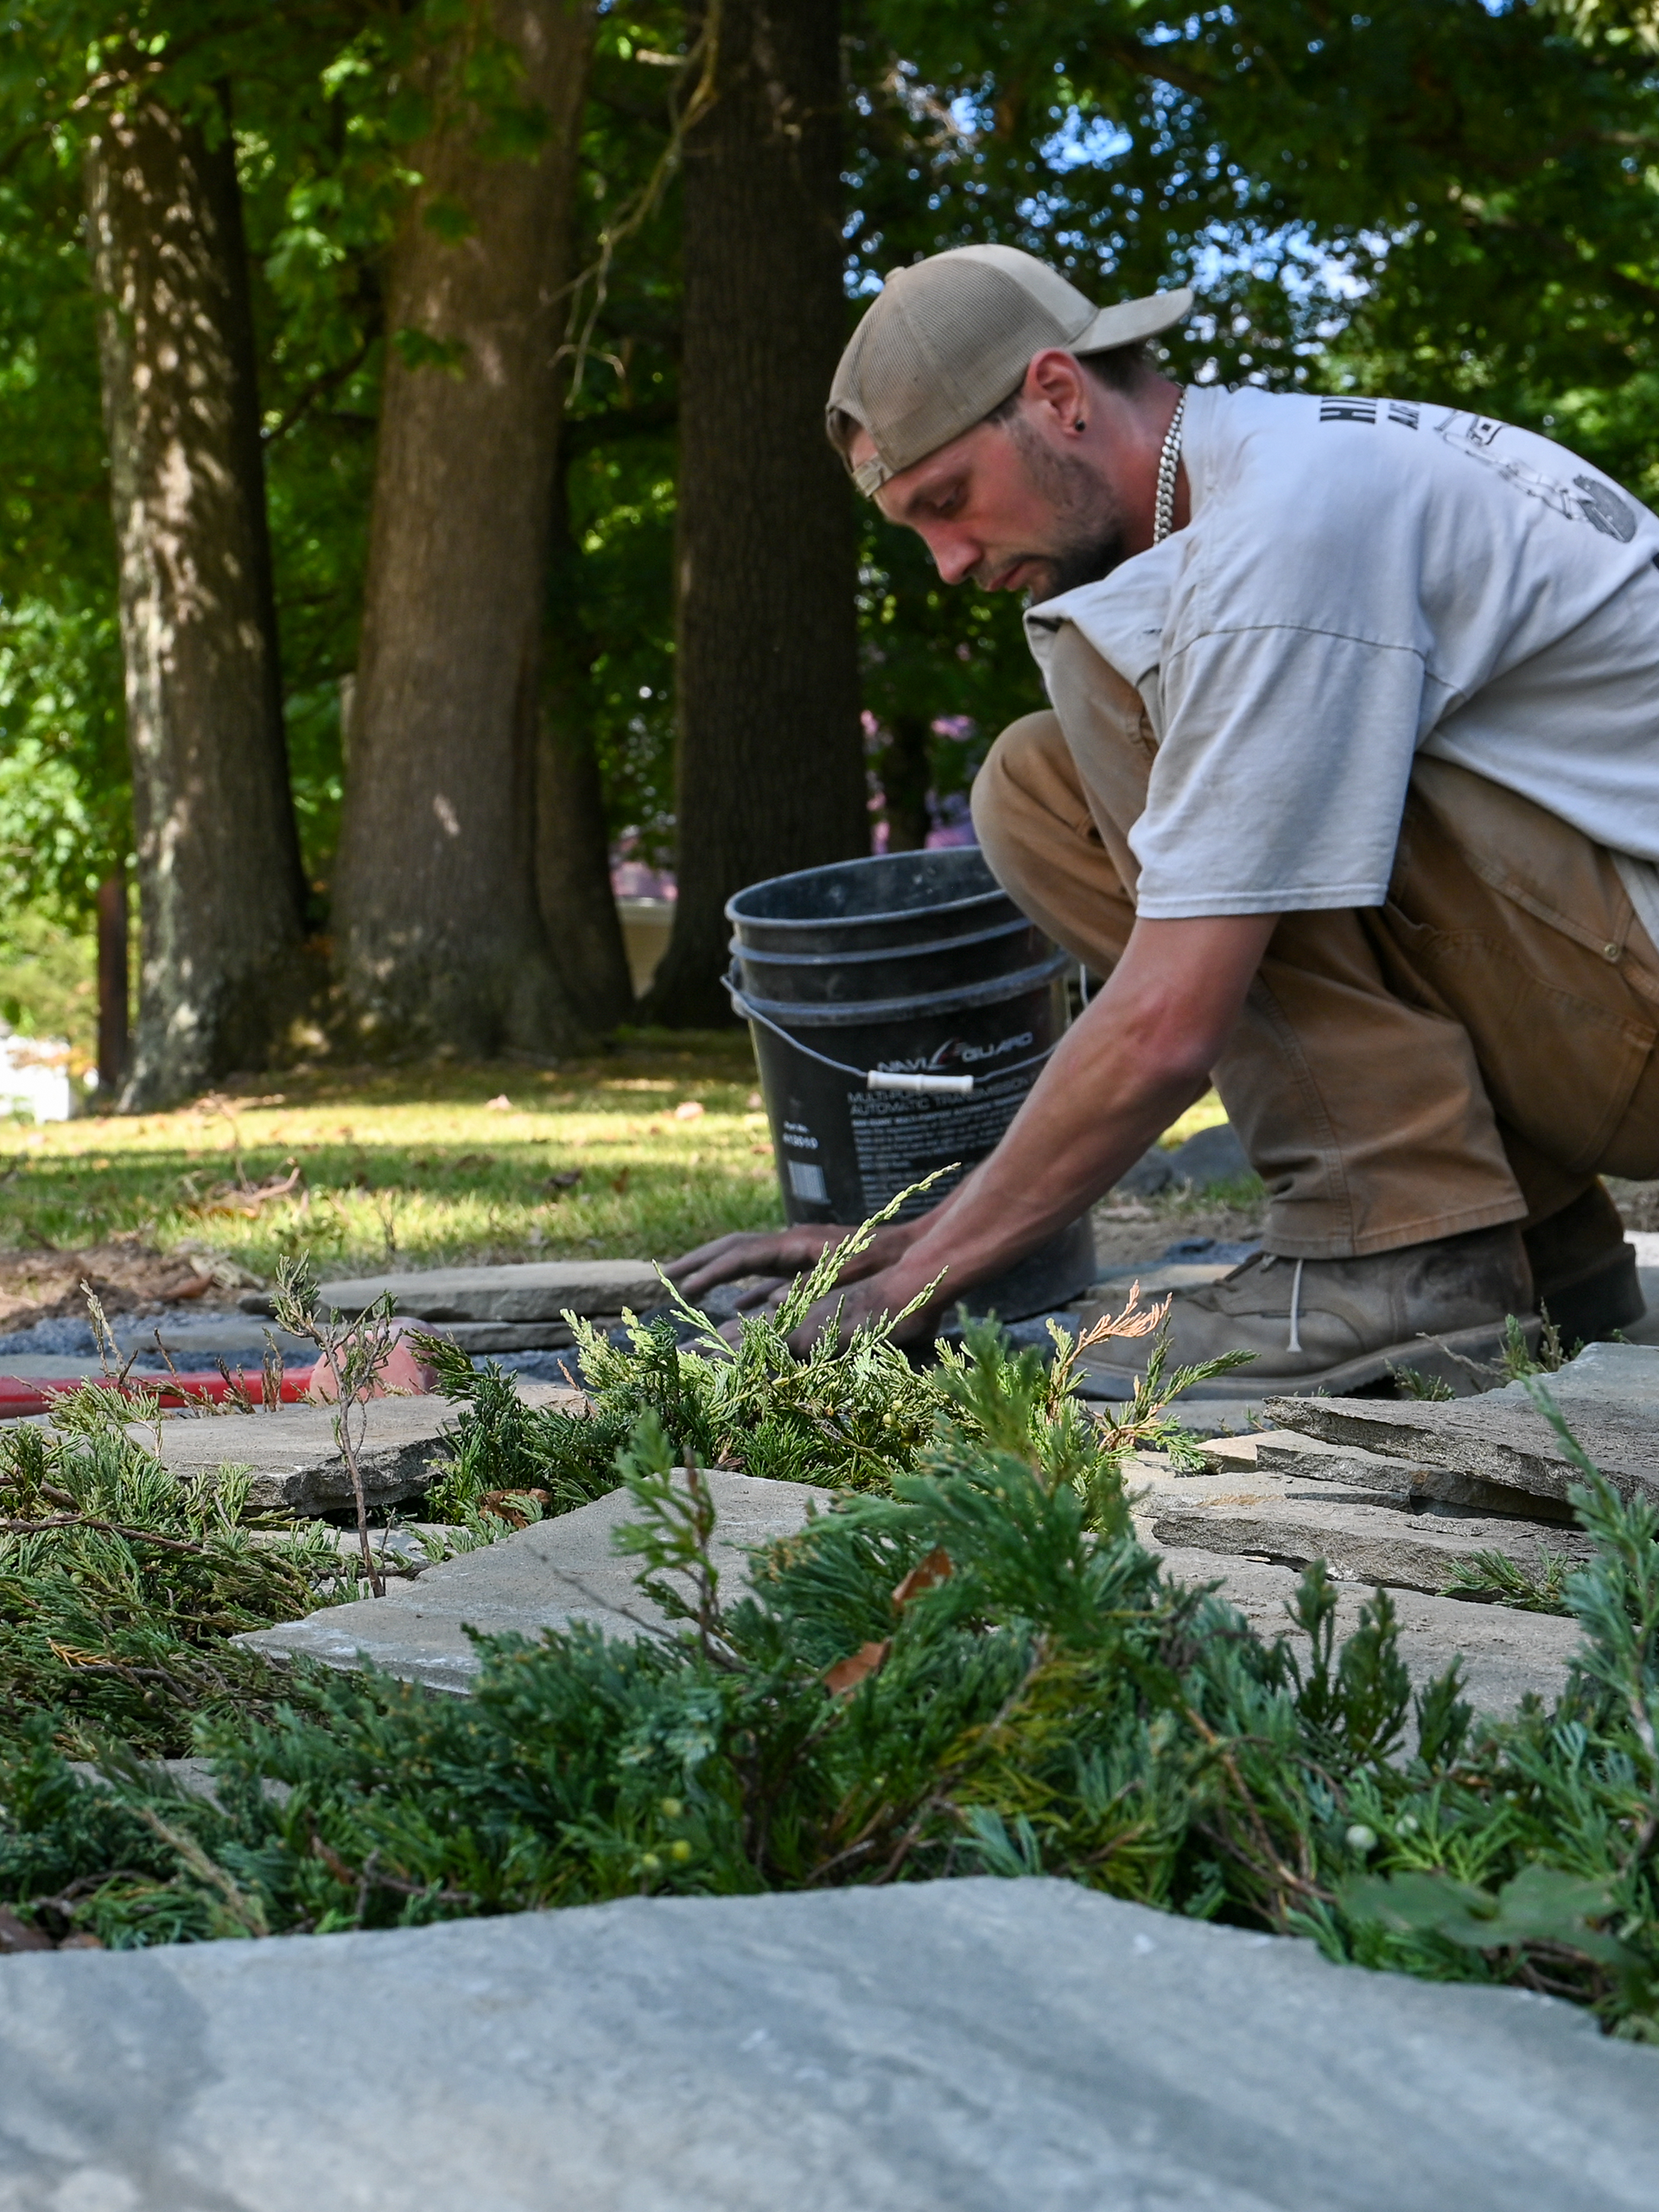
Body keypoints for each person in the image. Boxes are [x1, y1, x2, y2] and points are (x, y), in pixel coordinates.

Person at [670, 243, 1659, 1394]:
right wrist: (932, 1241)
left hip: (1634, 1018)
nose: (944, 564)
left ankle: (1401, 1251)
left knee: (1146, 717)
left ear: (1058, 394)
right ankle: (1539, 1251)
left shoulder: (1278, 538)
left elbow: (1170, 1018)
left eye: (948, 502)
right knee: (1038, 783)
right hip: (1602, 990)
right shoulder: (1275, 473)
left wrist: (910, 1284)